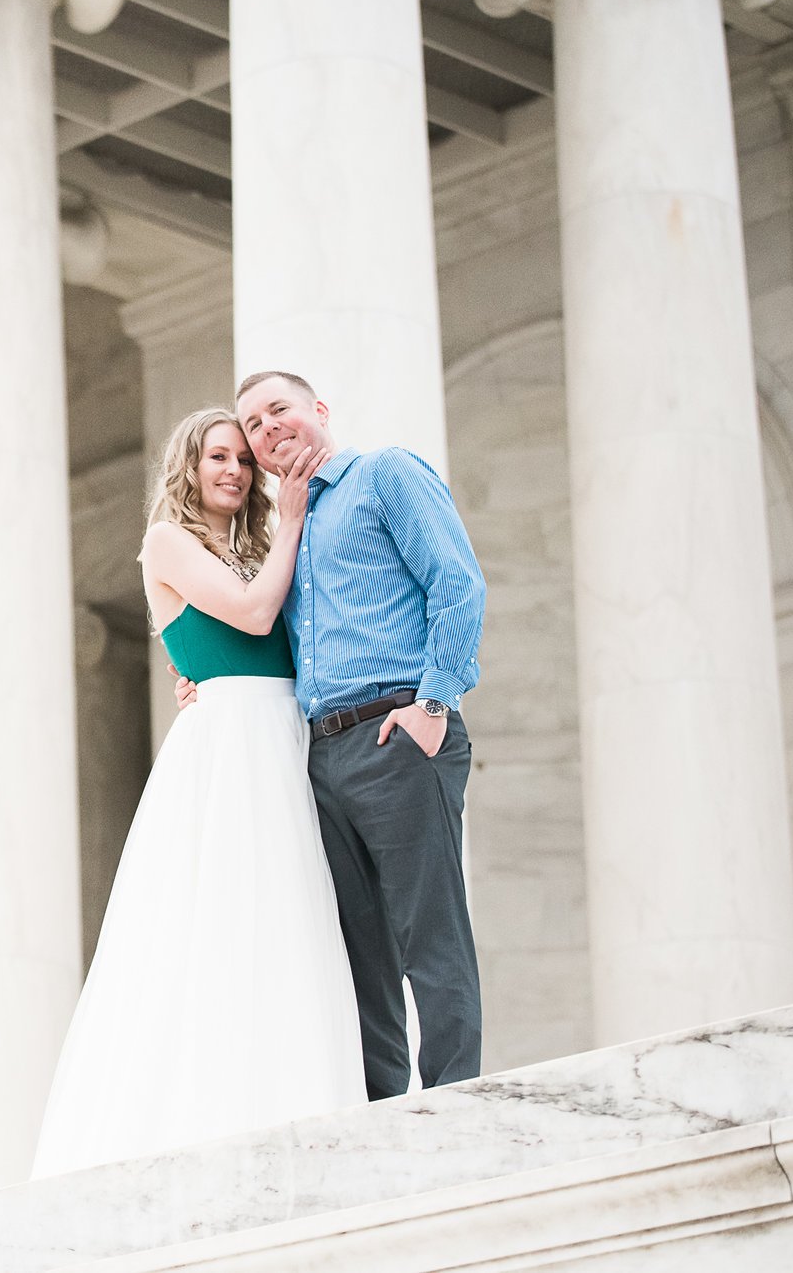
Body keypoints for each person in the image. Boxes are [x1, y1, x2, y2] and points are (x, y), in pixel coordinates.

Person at [30, 407, 366, 1177]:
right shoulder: (167, 540)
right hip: (231, 747)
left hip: (287, 737)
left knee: (294, 921)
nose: (235, 471)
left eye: (244, 461)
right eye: (219, 456)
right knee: (218, 923)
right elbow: (250, 614)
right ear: (189, 464)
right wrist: (291, 519)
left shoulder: (252, 548)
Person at [198, 370, 487, 1099]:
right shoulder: (286, 531)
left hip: (397, 733)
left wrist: (433, 705)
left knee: (430, 932)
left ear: (319, 410)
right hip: (320, 757)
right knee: (357, 954)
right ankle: (383, 1115)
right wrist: (208, 676)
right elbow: (282, 638)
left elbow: (457, 583)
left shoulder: (385, 475)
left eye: (279, 411)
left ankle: (454, 1101)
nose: (266, 431)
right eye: (254, 425)